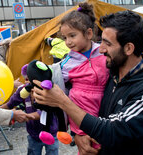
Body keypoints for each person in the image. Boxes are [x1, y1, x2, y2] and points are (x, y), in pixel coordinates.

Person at [32, 10, 143, 155]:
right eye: (101, 41)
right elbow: (85, 105)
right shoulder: (111, 72)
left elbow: (113, 131)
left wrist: (62, 101)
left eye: (107, 44)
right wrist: (78, 135)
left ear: (128, 48)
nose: (101, 49)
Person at [52, 2, 109, 150]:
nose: (68, 42)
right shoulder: (67, 62)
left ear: (89, 33)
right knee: (87, 148)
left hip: (105, 110)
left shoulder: (104, 52)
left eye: (72, 36)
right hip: (80, 113)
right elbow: (54, 78)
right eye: (64, 38)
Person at [0, 73, 59, 155]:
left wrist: (21, 116)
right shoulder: (23, 90)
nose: (27, 82)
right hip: (33, 135)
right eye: (26, 79)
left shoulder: (47, 91)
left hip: (51, 133)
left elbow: (41, 113)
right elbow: (10, 104)